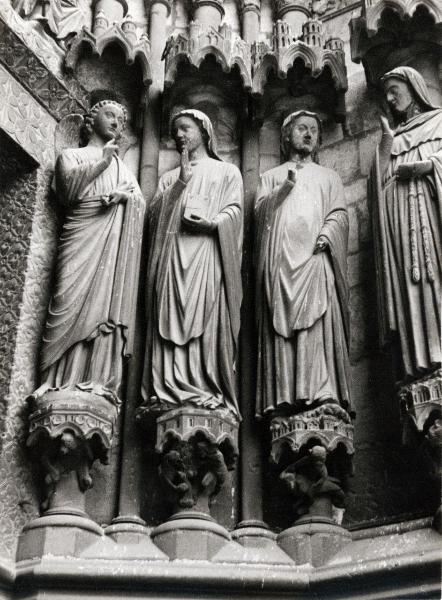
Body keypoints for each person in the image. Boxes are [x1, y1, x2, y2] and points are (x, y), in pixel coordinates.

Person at [35, 96, 145, 401]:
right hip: (80, 237)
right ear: (91, 120)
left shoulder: (124, 169)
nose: (116, 123)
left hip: (109, 249)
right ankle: (54, 380)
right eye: (110, 115)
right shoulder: (72, 155)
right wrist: (102, 163)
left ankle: (95, 381)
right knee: (66, 298)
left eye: (121, 121)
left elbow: (139, 203)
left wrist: (125, 198)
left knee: (101, 311)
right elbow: (68, 191)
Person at [142, 109, 242, 419]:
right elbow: (154, 221)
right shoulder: (168, 177)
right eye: (175, 133)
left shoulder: (227, 172)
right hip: (173, 257)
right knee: (168, 316)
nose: (180, 136)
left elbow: (235, 212)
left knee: (208, 318)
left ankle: (204, 386)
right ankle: (168, 388)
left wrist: (213, 225)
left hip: (207, 256)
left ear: (204, 130)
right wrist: (179, 185)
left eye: (185, 128)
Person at [254, 110, 352, 419]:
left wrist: (327, 233)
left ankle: (322, 390)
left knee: (318, 326)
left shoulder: (328, 177)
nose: (308, 134)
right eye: (301, 129)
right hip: (281, 265)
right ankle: (285, 394)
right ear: (286, 137)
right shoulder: (271, 176)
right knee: (281, 330)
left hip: (315, 261)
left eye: (313, 130)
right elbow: (259, 217)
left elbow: (339, 214)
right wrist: (283, 190)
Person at [371, 66, 441, 381]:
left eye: (394, 90)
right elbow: (378, 191)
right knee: (412, 284)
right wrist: (386, 143)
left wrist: (428, 166)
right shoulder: (393, 139)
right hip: (402, 223)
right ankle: (422, 364)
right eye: (386, 94)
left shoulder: (439, 121)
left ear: (413, 88)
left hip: (433, 212)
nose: (390, 98)